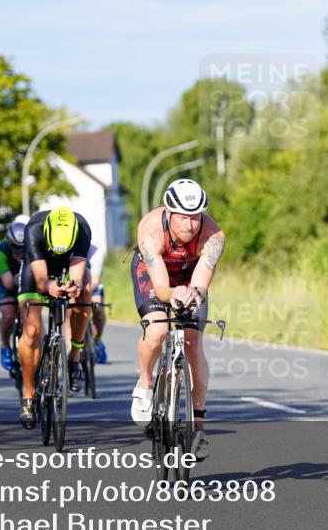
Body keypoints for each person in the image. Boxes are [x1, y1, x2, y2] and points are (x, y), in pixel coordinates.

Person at [130, 178, 225, 460]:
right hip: (154, 274)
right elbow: (161, 288)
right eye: (183, 216)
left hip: (190, 274)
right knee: (158, 330)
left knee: (193, 342)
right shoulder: (150, 231)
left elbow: (201, 283)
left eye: (195, 217)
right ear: (169, 212)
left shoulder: (214, 236)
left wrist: (192, 293)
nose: (190, 224)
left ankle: (197, 425)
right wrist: (172, 294)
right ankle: (146, 383)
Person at [16, 205, 92, 429]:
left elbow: (77, 273)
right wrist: (48, 287)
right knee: (31, 331)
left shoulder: (82, 229)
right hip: (37, 267)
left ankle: (74, 358)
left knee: (85, 290)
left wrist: (74, 286)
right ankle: (28, 396)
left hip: (67, 266)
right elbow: (41, 281)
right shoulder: (35, 229)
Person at [0, 215, 28, 373]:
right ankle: (5, 345)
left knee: (32, 311)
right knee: (9, 312)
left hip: (23, 279)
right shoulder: (0, 251)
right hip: (3, 281)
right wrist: (18, 278)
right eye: (15, 247)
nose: (19, 251)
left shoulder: (36, 245)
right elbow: (8, 283)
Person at [87, 243, 108, 364]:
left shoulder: (95, 252)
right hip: (75, 287)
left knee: (97, 305)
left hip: (92, 286)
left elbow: (95, 279)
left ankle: (98, 339)